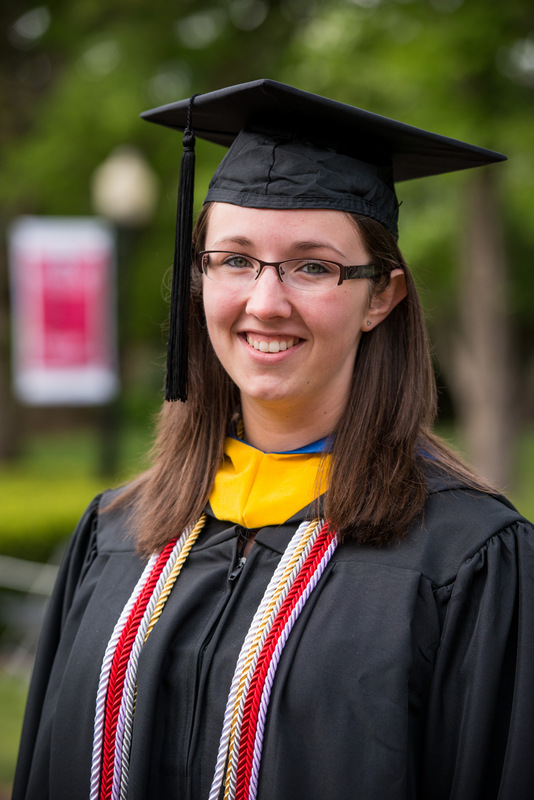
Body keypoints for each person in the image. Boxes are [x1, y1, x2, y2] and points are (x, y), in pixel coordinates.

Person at [13, 80, 534, 800]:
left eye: (312, 266)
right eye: (234, 259)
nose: (265, 302)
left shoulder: (469, 561)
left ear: (381, 296)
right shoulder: (114, 534)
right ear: (200, 279)